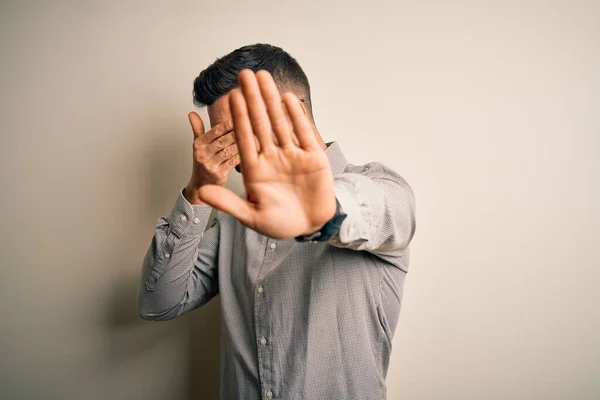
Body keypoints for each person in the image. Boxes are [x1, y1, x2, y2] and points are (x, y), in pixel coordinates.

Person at [138, 43, 416, 400]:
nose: (232, 156)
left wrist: (321, 214)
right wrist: (198, 191)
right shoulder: (234, 225)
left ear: (292, 114)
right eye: (221, 138)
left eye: (239, 133)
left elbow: (380, 211)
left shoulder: (381, 188)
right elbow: (158, 302)